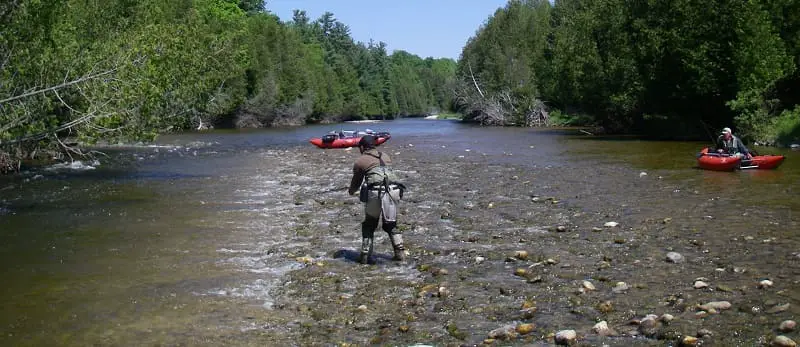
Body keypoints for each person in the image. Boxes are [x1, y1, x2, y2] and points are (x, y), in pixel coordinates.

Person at [347, 135, 406, 264]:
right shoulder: (385, 156)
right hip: (394, 190)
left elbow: (356, 182)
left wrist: (351, 191)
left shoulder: (361, 160)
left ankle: (365, 257)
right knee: (391, 224)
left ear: (362, 147)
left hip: (375, 192)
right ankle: (400, 254)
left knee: (369, 224)